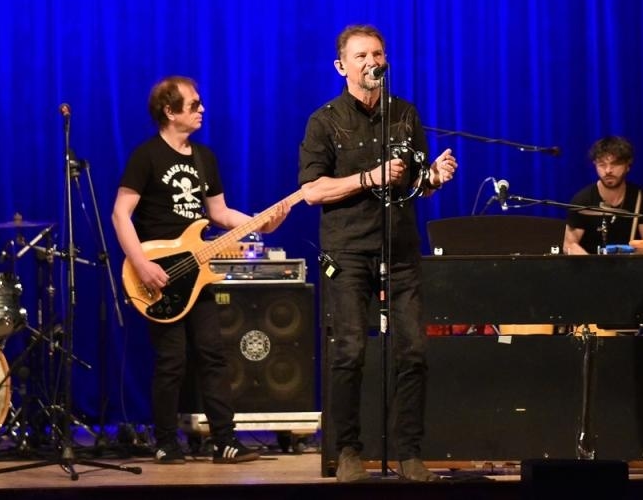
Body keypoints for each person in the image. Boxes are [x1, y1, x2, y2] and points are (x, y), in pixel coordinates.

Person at [298, 25, 458, 483]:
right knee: (349, 351)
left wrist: (434, 178)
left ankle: (409, 452)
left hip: (400, 248)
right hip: (348, 250)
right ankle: (348, 450)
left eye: (379, 54)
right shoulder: (324, 121)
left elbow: (414, 183)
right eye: (362, 55)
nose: (373, 62)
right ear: (341, 66)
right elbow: (312, 191)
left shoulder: (405, 114)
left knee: (414, 352)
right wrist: (369, 177)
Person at [112, 76, 292, 466]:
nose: (202, 109)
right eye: (193, 104)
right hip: (159, 273)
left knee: (213, 355)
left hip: (198, 272)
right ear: (169, 110)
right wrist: (141, 264)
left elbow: (219, 214)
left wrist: (261, 223)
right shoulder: (146, 156)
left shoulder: (204, 157)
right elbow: (120, 214)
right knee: (171, 360)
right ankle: (165, 442)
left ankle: (224, 442)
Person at [562, 136, 643, 255]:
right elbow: (569, 245)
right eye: (602, 164)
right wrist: (593, 264)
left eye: (615, 164)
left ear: (628, 166)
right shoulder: (582, 200)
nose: (608, 170)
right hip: (591, 264)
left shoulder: (640, 198)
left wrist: (631, 262)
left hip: (628, 264)